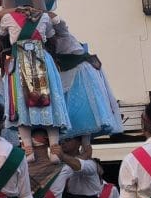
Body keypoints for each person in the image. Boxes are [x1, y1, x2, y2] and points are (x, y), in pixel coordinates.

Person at [0, 7, 70, 157]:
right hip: (41, 58)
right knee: (48, 103)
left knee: (21, 105)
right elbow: (52, 33)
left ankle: (28, 149)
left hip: (19, 60)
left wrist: (12, 10)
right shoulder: (44, 17)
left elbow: (1, 33)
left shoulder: (8, 17)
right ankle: (54, 149)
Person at [49, 15, 123, 152]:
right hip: (65, 78)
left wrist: (42, 12)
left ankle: (86, 147)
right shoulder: (45, 43)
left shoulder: (63, 34)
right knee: (71, 114)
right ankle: (76, 150)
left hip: (80, 74)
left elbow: (60, 23)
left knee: (86, 110)